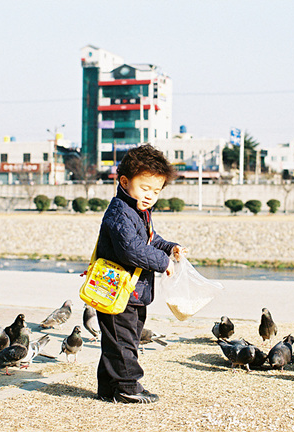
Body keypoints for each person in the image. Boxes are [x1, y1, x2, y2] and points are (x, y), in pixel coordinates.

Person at [95, 144, 186, 404]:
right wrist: (162, 261)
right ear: (124, 181)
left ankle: (108, 388)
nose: (150, 196)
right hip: (116, 290)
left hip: (132, 291)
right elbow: (130, 250)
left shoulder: (139, 212)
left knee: (121, 340)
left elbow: (150, 239)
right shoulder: (119, 213)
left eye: (156, 191)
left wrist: (169, 248)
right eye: (145, 188)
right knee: (123, 342)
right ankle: (128, 386)